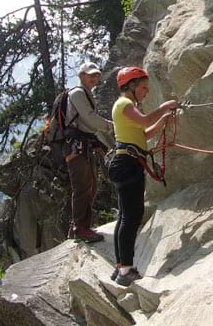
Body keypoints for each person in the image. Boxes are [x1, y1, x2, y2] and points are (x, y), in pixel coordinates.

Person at [109, 66, 178, 285]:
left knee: (124, 216)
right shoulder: (125, 104)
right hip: (128, 164)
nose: (146, 92)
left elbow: (145, 132)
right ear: (130, 86)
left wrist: (164, 119)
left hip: (126, 162)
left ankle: (121, 267)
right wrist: (165, 107)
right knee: (131, 216)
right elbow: (146, 122)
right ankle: (125, 270)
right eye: (143, 87)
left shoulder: (126, 107)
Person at [65, 61, 114, 243]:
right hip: (76, 146)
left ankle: (79, 226)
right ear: (81, 76)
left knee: (90, 186)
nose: (94, 78)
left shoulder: (85, 94)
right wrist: (111, 126)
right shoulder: (78, 93)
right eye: (90, 75)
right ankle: (79, 228)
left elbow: (87, 123)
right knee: (82, 187)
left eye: (96, 75)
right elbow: (90, 119)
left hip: (82, 145)